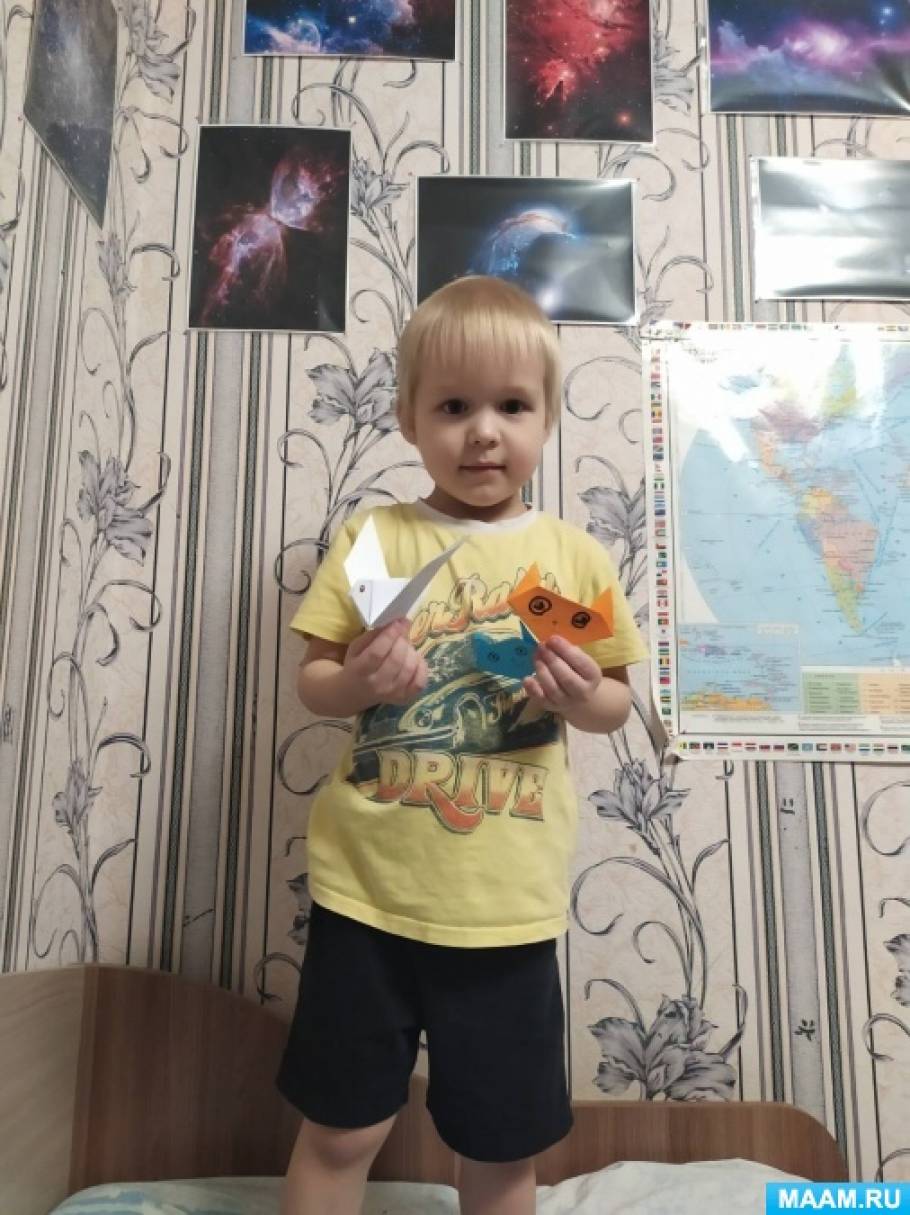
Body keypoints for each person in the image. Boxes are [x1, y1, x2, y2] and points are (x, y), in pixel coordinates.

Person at [277, 275, 648, 1215]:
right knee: (340, 1129)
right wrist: (360, 681)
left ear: (547, 418)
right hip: (366, 892)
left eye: (511, 406)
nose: (483, 432)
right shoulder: (377, 539)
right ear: (407, 418)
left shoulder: (571, 558)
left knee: (500, 1147)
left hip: (505, 911)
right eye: (453, 407)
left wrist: (582, 695)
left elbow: (614, 703)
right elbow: (316, 681)